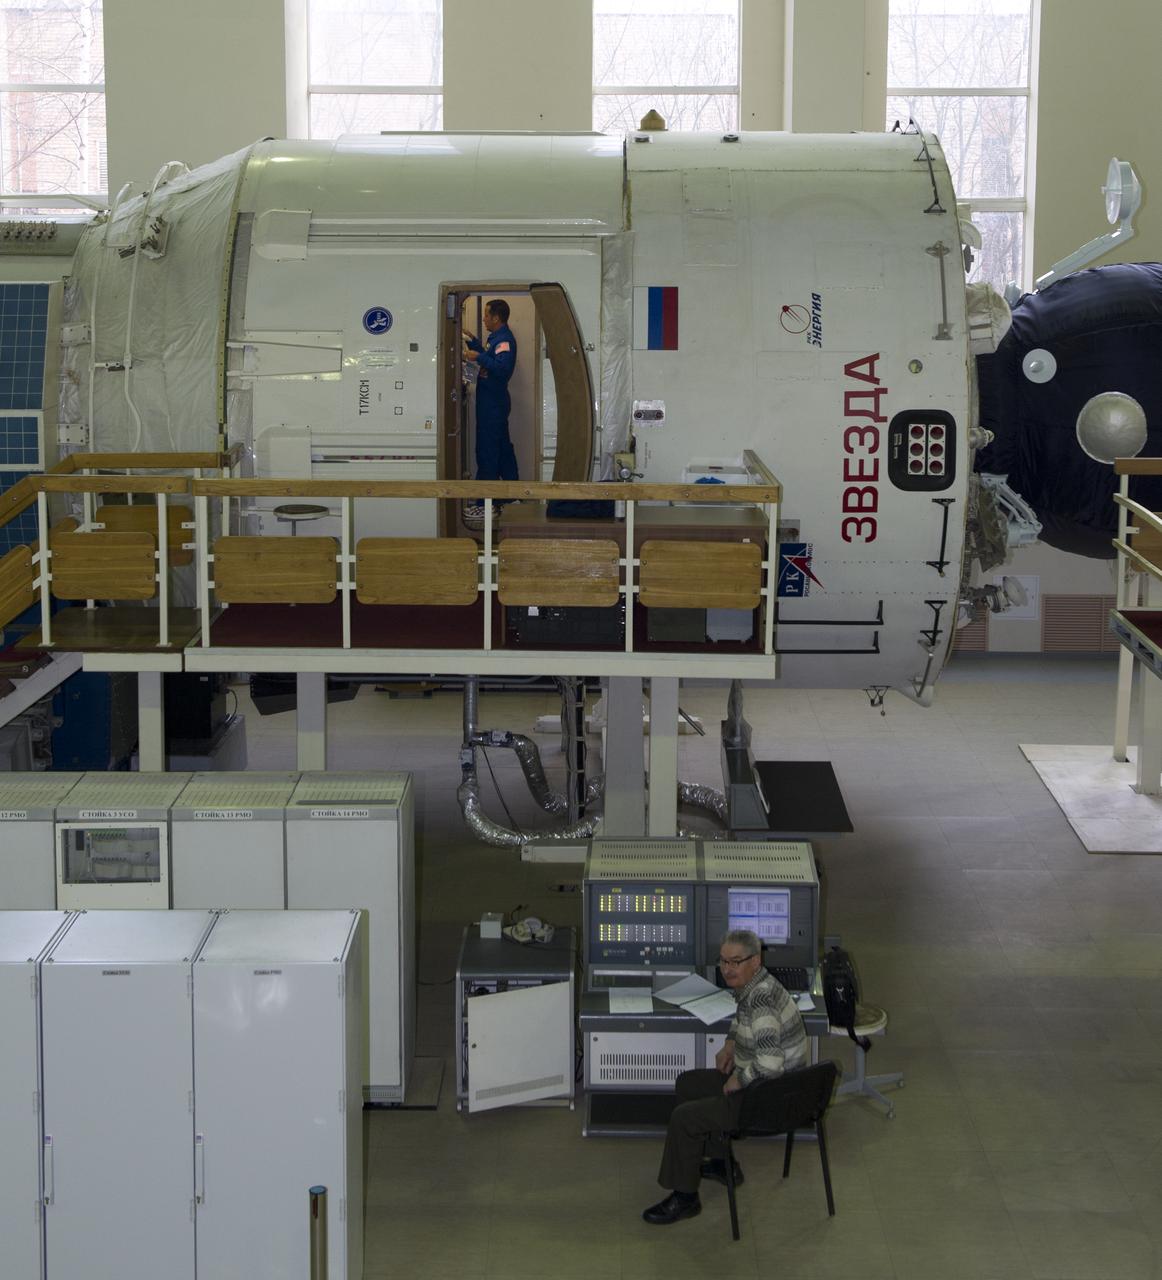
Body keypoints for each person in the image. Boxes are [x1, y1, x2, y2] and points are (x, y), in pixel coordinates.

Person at [642, 930, 808, 1225]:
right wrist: (731, 1043)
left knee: (684, 1118)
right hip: (776, 1088)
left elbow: (770, 1063)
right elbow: (743, 1018)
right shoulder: (755, 985)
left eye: (736, 962)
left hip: (768, 1098)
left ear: (755, 961)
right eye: (723, 961)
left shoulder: (761, 999)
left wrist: (739, 1079)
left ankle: (685, 1198)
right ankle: (722, 1162)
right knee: (688, 1084)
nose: (727, 969)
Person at [463, 299, 518, 521]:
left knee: (487, 451)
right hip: (490, 403)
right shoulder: (495, 338)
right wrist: (474, 342)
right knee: (502, 450)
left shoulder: (504, 340)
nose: (484, 319)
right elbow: (491, 357)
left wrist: (479, 357)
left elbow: (503, 369)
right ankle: (512, 497)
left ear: (496, 318)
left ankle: (484, 504)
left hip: (493, 405)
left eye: (486, 315)